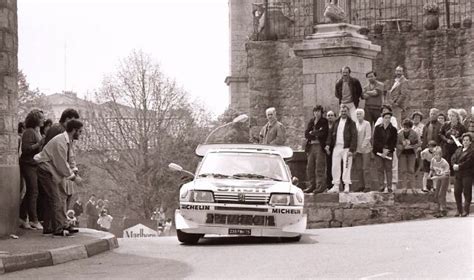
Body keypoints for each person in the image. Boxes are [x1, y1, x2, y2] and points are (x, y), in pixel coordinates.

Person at [34, 119, 83, 236]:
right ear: (74, 130)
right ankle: (58, 228)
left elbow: (70, 158)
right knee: (55, 198)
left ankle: (61, 224)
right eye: (80, 132)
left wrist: (75, 171)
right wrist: (74, 178)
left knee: (61, 196)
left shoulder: (68, 140)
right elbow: (61, 163)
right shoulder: (60, 142)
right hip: (46, 168)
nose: (81, 134)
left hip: (52, 168)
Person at [19, 109, 45, 230]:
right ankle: (33, 219)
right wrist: (39, 144)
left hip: (34, 164)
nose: (43, 120)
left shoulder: (36, 131)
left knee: (32, 191)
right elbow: (26, 149)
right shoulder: (29, 132)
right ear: (35, 119)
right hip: (28, 164)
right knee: (33, 191)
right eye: (41, 118)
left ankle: (23, 217)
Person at [325, 104, 357, 193]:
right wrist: (328, 145)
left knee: (346, 167)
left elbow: (354, 137)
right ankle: (336, 185)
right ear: (340, 112)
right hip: (337, 147)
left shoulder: (351, 123)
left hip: (346, 148)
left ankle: (346, 185)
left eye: (345, 111)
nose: (343, 113)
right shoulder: (336, 122)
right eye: (342, 111)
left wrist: (352, 149)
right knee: (335, 166)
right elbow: (330, 135)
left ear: (348, 112)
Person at [304, 105, 329, 194]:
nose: (316, 113)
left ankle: (320, 186)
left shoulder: (324, 121)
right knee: (310, 166)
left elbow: (323, 133)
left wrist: (313, 133)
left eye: (318, 111)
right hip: (311, 146)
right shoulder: (311, 121)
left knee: (319, 166)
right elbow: (306, 133)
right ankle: (312, 185)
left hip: (319, 146)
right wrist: (315, 133)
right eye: (315, 111)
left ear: (321, 112)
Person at [373, 111, 398, 193]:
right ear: (382, 118)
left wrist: (387, 150)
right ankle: (381, 186)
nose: (387, 119)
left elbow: (393, 142)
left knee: (388, 169)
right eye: (386, 118)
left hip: (389, 152)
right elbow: (376, 141)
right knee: (380, 169)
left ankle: (389, 186)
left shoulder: (393, 129)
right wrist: (382, 150)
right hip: (378, 152)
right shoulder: (377, 128)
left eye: (389, 118)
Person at [451, 133, 474, 217]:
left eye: (467, 140)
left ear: (470, 142)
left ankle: (466, 210)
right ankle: (459, 210)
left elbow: (469, 162)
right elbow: (453, 158)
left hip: (467, 174)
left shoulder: (472, 151)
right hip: (458, 174)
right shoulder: (458, 150)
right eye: (464, 140)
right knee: (457, 192)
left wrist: (459, 166)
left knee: (467, 192)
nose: (465, 142)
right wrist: (453, 164)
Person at [439, 108, 467, 175]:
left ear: (457, 116)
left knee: (455, 161)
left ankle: (454, 178)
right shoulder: (446, 124)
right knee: (446, 161)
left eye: (452, 116)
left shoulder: (461, 126)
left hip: (456, 147)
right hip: (446, 147)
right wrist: (446, 140)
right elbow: (440, 134)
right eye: (450, 115)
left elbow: (465, 135)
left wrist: (458, 139)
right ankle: (446, 177)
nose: (451, 117)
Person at [397, 119, 420, 193]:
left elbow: (419, 143)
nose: (405, 129)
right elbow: (396, 144)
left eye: (407, 128)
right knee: (403, 170)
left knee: (411, 170)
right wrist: (403, 147)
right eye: (404, 127)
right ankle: (404, 187)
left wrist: (412, 146)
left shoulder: (414, 133)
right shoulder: (399, 133)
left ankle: (413, 187)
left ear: (410, 127)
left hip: (411, 153)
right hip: (402, 153)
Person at [429, 146, 450, 218]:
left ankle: (443, 209)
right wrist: (430, 175)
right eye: (434, 154)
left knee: (441, 194)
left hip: (444, 178)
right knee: (436, 194)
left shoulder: (444, 163)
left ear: (440, 155)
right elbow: (431, 169)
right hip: (438, 178)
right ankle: (438, 209)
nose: (435, 156)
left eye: (437, 154)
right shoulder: (433, 160)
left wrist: (436, 177)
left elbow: (446, 175)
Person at [354, 108, 372, 192]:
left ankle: (367, 185)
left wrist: (363, 146)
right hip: (357, 150)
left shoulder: (367, 124)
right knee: (358, 168)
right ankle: (360, 185)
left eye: (360, 114)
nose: (358, 115)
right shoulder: (355, 124)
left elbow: (368, 136)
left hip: (365, 149)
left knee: (365, 168)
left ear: (363, 115)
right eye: (357, 114)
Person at [325, 110, 336, 190]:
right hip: (326, 148)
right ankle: (329, 185)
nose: (330, 117)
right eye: (328, 115)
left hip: (335, 147)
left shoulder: (337, 125)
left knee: (336, 166)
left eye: (331, 115)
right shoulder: (325, 126)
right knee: (328, 166)